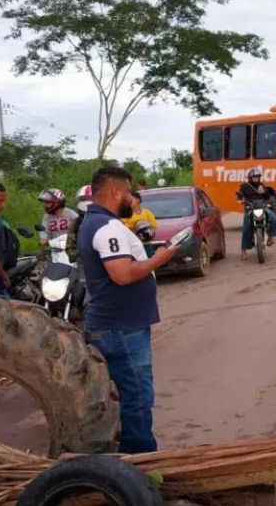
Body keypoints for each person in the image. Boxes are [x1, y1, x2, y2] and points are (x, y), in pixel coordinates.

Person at [78, 167, 179, 453]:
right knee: (136, 396)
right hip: (122, 328)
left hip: (115, 324)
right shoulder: (107, 227)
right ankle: (140, 464)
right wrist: (159, 259)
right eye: (129, 195)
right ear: (115, 192)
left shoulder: (95, 222)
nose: (133, 201)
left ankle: (124, 453)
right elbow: (122, 274)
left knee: (124, 393)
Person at [236, 168, 276, 259]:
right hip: (251, 208)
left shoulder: (262, 185)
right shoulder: (245, 186)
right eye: (254, 177)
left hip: (262, 207)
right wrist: (241, 200)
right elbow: (240, 194)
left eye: (257, 177)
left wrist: (264, 192)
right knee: (246, 228)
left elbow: (268, 196)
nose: (256, 179)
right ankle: (243, 251)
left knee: (274, 218)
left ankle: (271, 237)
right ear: (250, 178)